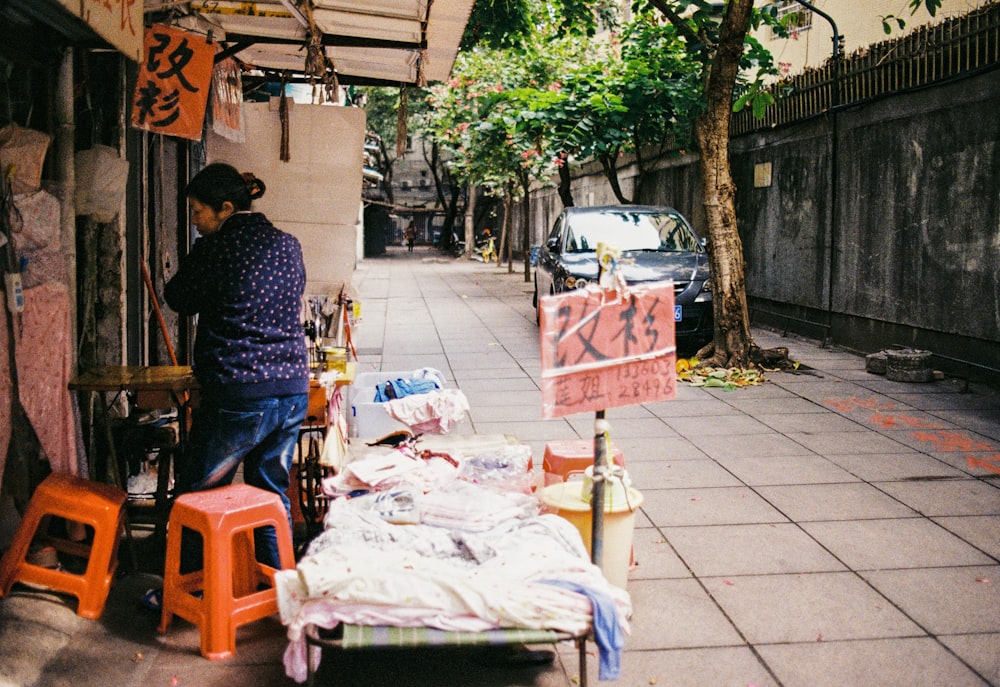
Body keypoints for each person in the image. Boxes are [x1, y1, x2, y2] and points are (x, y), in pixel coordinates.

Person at [162, 162, 310, 576]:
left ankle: (190, 589)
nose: (193, 221)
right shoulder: (288, 244)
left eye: (196, 211)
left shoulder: (214, 249)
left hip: (240, 391)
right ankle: (280, 592)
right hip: (292, 388)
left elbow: (178, 298)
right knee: (271, 493)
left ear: (225, 208)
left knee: (199, 494)